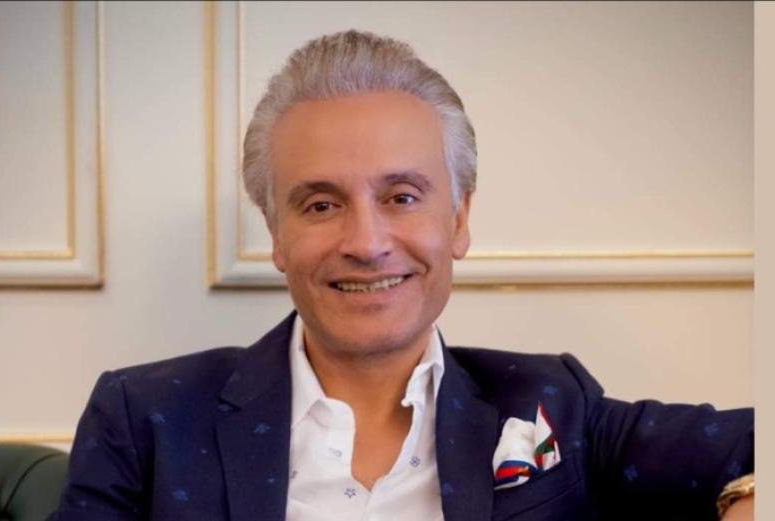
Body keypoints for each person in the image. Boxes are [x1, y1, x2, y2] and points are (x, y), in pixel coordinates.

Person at [51, 30, 753, 521]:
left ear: (459, 219)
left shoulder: (553, 404)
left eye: (402, 197)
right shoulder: (146, 418)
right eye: (321, 204)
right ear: (276, 234)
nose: (366, 242)